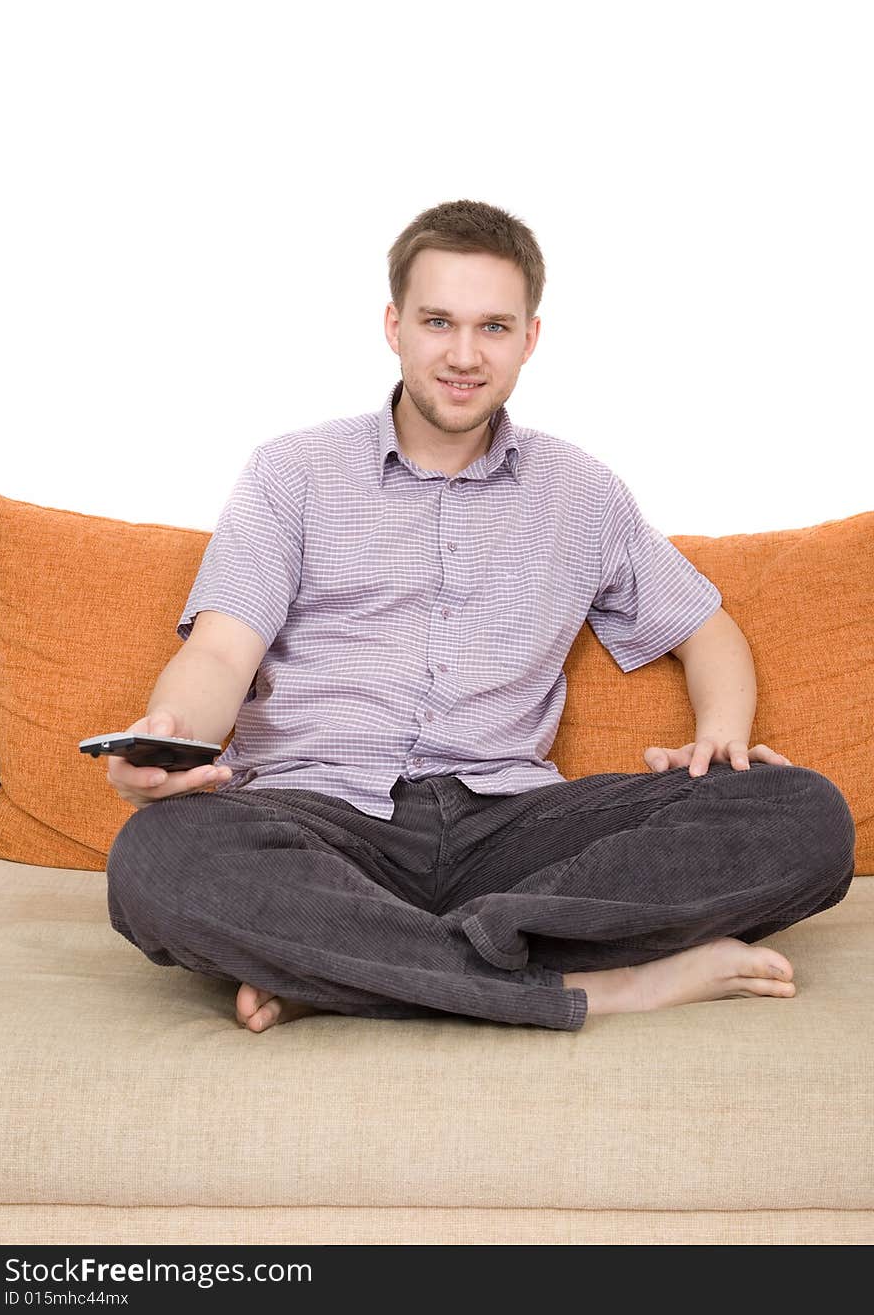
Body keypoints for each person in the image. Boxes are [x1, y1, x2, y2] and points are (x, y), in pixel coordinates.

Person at [105, 198, 856, 1034]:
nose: (464, 356)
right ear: (394, 325)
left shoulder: (582, 491)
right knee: (159, 857)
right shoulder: (293, 472)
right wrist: (174, 740)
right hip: (321, 822)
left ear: (530, 338)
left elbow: (706, 627)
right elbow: (220, 652)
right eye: (438, 322)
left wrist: (720, 731)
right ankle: (597, 985)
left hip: (513, 828)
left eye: (493, 328)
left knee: (805, 815)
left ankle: (349, 969)